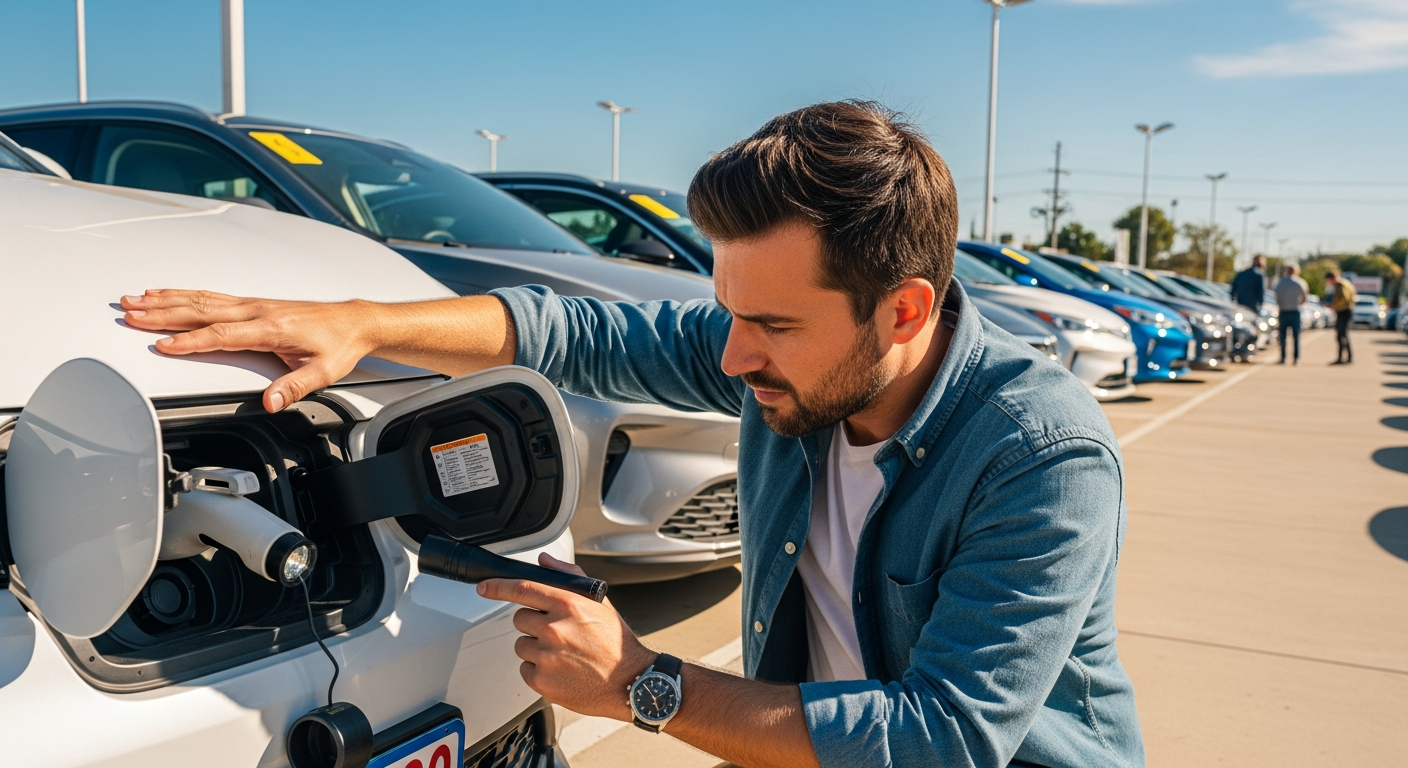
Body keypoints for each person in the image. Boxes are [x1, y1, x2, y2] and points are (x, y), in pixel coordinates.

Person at [118, 101, 1143, 768]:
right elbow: (584, 330)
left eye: (775, 326)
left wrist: (643, 685)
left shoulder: (1039, 457)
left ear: (905, 312)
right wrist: (364, 323)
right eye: (730, 309)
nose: (733, 359)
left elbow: (944, 738)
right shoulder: (792, 361)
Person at [1274, 265, 1309, 365]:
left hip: (1283, 311)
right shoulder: (1300, 282)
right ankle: (1296, 358)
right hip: (1295, 311)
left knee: (1283, 336)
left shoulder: (1280, 283)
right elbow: (1305, 297)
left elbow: (1276, 296)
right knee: (1296, 336)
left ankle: (1283, 357)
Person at [1327, 271, 1357, 364]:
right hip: (1347, 311)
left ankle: (1342, 357)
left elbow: (1344, 298)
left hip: (1344, 311)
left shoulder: (1340, 285)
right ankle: (1348, 357)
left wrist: (1334, 306)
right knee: (1343, 335)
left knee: (1341, 335)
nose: (1329, 283)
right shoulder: (1346, 283)